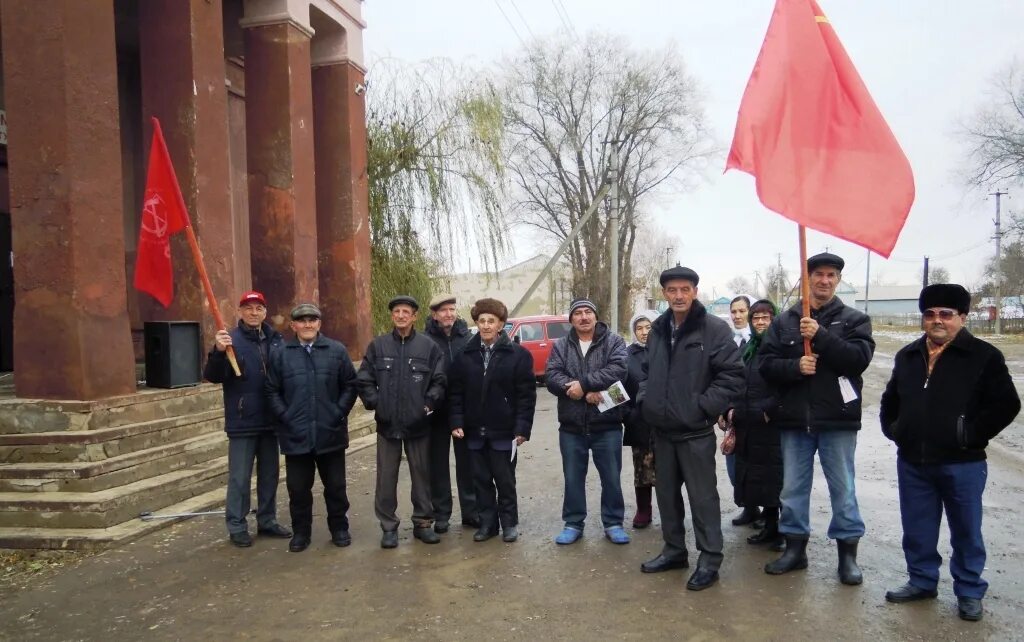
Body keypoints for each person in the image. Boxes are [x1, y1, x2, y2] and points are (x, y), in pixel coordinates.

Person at [880, 284, 1020, 622]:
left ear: (962, 317)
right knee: (917, 528)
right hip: (914, 462)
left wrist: (969, 435)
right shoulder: (908, 355)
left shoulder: (984, 356)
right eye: (929, 314)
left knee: (966, 531)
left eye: (946, 314)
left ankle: (969, 591)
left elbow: (1007, 404)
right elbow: (891, 400)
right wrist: (896, 430)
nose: (937, 320)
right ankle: (922, 581)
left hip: (963, 463)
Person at [759, 252, 874, 584]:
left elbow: (858, 360)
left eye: (832, 275)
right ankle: (795, 549)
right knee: (793, 489)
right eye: (819, 274)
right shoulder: (783, 322)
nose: (825, 280)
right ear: (807, 278)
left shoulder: (854, 319)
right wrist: (795, 367)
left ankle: (847, 555)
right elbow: (765, 365)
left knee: (844, 489)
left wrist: (821, 334)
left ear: (838, 280)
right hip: (795, 421)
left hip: (837, 420)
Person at [638, 266, 744, 591]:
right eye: (672, 290)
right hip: (663, 433)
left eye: (685, 289)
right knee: (667, 497)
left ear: (695, 292)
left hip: (695, 434)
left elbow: (732, 376)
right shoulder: (657, 330)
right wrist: (647, 400)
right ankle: (674, 551)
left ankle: (710, 559)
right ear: (665, 294)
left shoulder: (713, 329)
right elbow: (645, 371)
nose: (679, 295)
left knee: (702, 500)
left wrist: (701, 408)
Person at [264, 302, 358, 552]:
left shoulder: (336, 350)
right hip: (296, 435)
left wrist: (338, 413)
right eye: (302, 320)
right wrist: (285, 416)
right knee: (298, 489)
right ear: (293, 325)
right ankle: (301, 533)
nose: (307, 324)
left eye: (312, 320)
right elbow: (271, 390)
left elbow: (350, 384)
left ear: (319, 324)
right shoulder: (281, 353)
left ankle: (339, 528)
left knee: (336, 487)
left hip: (330, 433)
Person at [357, 295, 446, 548]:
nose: (401, 316)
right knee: (386, 478)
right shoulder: (379, 346)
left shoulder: (428, 347)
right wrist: (377, 403)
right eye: (397, 311)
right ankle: (388, 527)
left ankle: (423, 523)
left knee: (421, 476)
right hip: (387, 425)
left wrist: (427, 405)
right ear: (392, 315)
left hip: (418, 425)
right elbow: (364, 378)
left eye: (406, 311)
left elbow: (439, 382)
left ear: (415, 316)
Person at [203, 290, 291, 547]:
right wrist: (218, 352)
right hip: (243, 420)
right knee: (240, 477)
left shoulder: (276, 340)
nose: (254, 313)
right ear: (240, 311)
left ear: (265, 312)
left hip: (270, 420)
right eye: (249, 308)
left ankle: (267, 520)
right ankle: (237, 525)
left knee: (270, 475)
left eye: (259, 308)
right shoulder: (230, 340)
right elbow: (214, 375)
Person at [448, 298, 536, 542]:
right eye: (482, 321)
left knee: (505, 480)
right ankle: (488, 524)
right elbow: (455, 392)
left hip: (504, 431)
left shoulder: (518, 355)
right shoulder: (465, 354)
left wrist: (522, 428)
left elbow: (526, 396)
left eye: (491, 321)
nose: (486, 325)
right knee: (481, 481)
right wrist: (456, 421)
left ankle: (509, 524)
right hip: (474, 432)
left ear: (501, 324)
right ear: (476, 323)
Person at [545, 298, 630, 546]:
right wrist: (576, 389)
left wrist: (584, 384)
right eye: (578, 313)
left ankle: (613, 522)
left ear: (596, 316)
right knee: (572, 478)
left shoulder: (613, 341)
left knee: (612, 478)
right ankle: (573, 523)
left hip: (608, 425)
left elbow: (618, 370)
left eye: (588, 312)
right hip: (571, 428)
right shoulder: (561, 345)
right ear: (571, 319)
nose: (583, 317)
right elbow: (552, 376)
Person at [728, 299, 784, 550]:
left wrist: (770, 409)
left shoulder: (783, 346)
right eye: (756, 318)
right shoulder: (749, 348)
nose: (760, 322)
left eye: (766, 317)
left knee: (775, 478)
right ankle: (767, 524)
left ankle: (781, 530)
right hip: (747, 422)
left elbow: (788, 382)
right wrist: (728, 409)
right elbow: (737, 381)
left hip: (770, 424)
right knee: (757, 477)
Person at [424, 293, 478, 534]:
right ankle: (441, 513)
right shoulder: (424, 341)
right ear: (434, 315)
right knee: (437, 465)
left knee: (467, 463)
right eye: (443, 310)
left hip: (463, 411)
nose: (449, 314)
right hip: (435, 412)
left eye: (452, 309)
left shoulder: (468, 339)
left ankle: (471, 511)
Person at [623, 311, 657, 529]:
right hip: (639, 422)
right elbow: (616, 388)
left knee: (668, 470)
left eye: (649, 327)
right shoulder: (626, 355)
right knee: (641, 469)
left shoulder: (667, 349)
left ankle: (671, 510)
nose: (644, 332)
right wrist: (627, 414)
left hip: (666, 422)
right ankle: (643, 510)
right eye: (640, 328)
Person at [726, 295, 757, 526]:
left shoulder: (759, 341)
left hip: (755, 413)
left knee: (757, 464)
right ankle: (748, 506)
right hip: (733, 414)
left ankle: (769, 513)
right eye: (734, 312)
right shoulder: (728, 341)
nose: (737, 316)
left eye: (742, 311)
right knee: (735, 465)